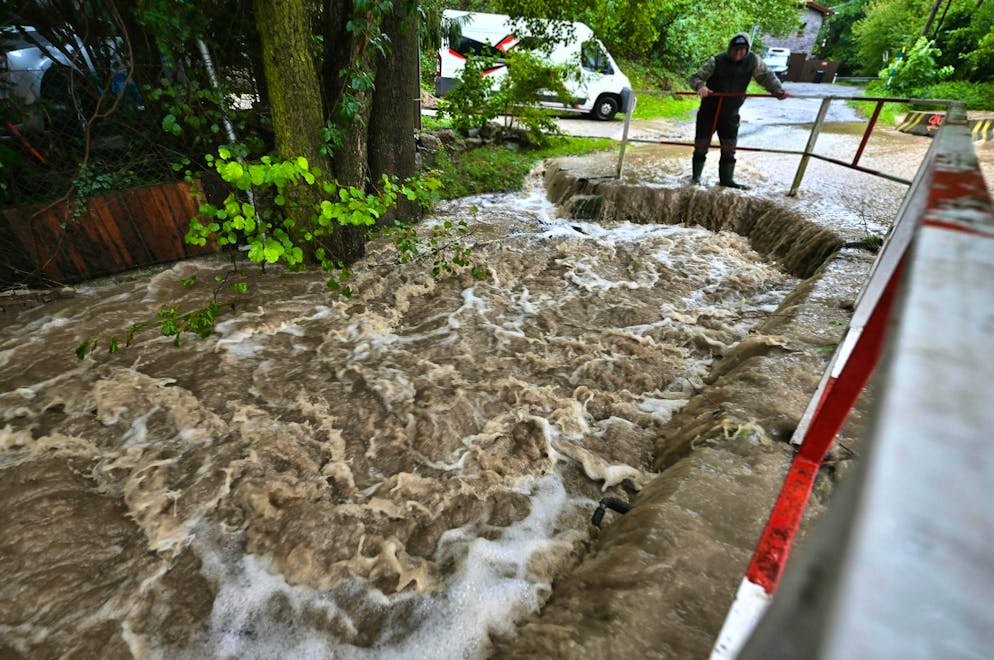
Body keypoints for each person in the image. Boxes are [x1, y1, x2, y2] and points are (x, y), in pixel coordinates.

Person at [688, 32, 788, 189]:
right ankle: (695, 178)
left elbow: (766, 76)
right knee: (701, 145)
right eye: (735, 49)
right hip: (709, 111)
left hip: (730, 113)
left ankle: (727, 180)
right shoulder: (716, 60)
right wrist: (701, 86)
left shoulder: (753, 61)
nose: (737, 53)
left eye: (742, 49)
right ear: (730, 47)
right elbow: (695, 78)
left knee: (729, 148)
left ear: (747, 49)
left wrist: (778, 91)